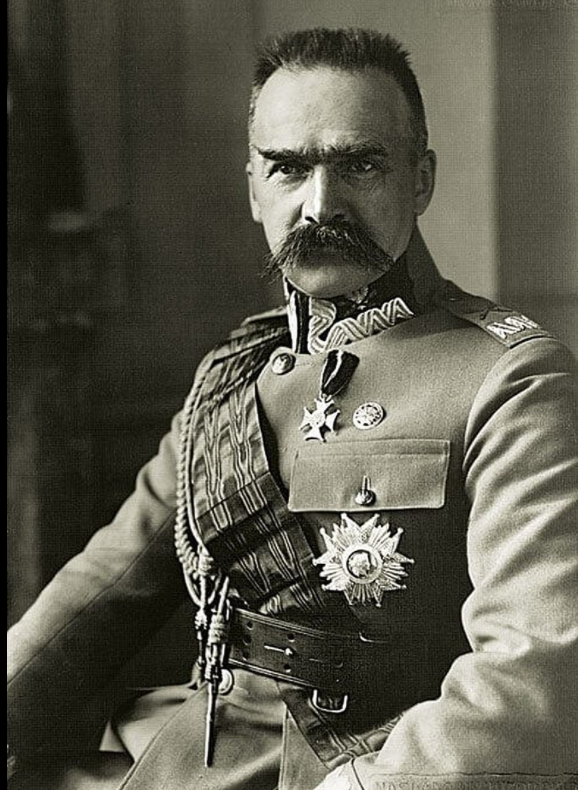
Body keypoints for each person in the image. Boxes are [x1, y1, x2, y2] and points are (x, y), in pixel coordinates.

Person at [7, 27, 578, 790]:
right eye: (288, 168)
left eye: (360, 165)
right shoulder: (233, 375)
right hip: (198, 746)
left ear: (421, 181)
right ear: (254, 189)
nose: (319, 205)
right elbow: (102, 590)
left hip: (369, 765)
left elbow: (535, 677)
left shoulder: (510, 378)